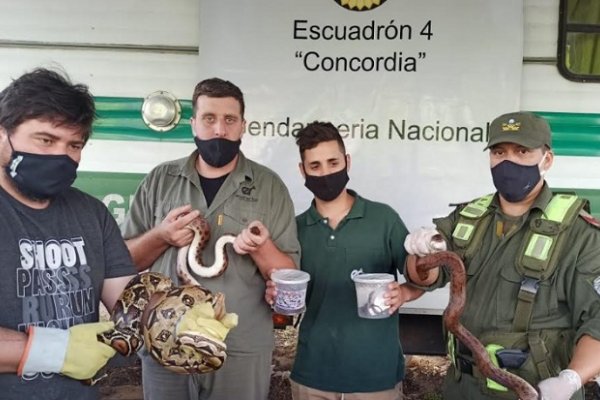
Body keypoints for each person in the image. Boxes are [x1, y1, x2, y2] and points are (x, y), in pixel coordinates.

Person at [120, 77, 301, 400]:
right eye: (209, 118)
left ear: (243, 126)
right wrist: (161, 236)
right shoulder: (160, 180)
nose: (219, 130)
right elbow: (123, 260)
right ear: (193, 124)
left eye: (229, 120)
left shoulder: (270, 187)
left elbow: (287, 274)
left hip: (239, 347)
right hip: (166, 339)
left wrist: (261, 247)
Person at [404, 111, 600, 400]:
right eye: (499, 152)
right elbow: (426, 278)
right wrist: (420, 253)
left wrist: (570, 380)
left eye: (522, 151)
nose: (508, 161)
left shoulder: (580, 235)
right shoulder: (468, 218)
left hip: (534, 390)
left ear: (546, 160)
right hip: (462, 387)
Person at [0, 68, 137, 399]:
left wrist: (174, 317)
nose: (61, 155)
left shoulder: (91, 214)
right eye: (46, 140)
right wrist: (54, 350)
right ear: (3, 136)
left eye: (74, 144)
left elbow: (129, 301)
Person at [266, 121, 423, 400]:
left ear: (347, 162)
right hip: (313, 374)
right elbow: (286, 294)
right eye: (315, 166)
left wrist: (405, 294)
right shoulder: (295, 229)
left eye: (332, 162)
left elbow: (420, 276)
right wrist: (275, 293)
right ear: (302, 171)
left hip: (376, 376)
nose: (325, 173)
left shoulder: (383, 219)